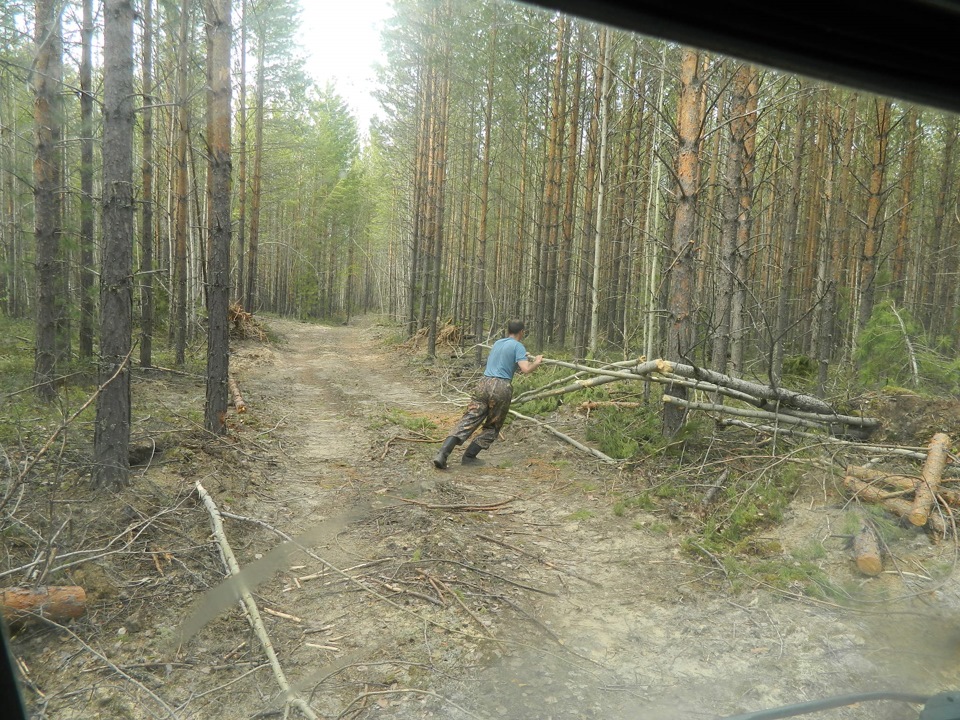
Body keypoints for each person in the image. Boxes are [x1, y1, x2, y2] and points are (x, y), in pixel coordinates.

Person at [433, 319, 543, 469]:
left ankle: (443, 453)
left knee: (468, 419)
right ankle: (469, 456)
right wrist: (536, 362)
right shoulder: (518, 346)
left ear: (508, 331)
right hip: (500, 387)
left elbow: (505, 359)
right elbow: (525, 369)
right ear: (522, 332)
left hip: (483, 383)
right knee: (492, 426)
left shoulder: (498, 343)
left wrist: (523, 355)